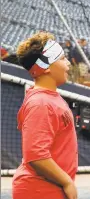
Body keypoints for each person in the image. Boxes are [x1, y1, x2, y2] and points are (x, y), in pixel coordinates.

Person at [12, 32, 78, 199]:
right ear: (46, 67)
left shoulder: (48, 99)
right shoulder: (40, 103)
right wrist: (67, 182)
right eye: (62, 59)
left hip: (48, 188)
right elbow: (36, 155)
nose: (68, 63)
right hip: (39, 190)